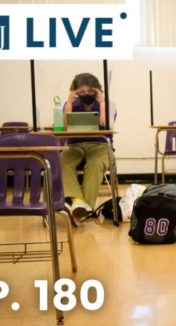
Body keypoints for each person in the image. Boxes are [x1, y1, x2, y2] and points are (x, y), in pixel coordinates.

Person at [61, 73, 116, 221]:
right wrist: (70, 103)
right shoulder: (69, 105)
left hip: (100, 145)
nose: (86, 95)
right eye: (81, 92)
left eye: (90, 91)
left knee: (95, 164)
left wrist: (102, 103)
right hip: (75, 145)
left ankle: (81, 212)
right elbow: (66, 129)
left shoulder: (108, 104)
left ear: (97, 90)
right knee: (62, 162)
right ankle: (78, 203)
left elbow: (108, 126)